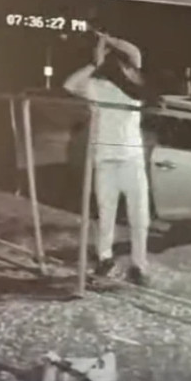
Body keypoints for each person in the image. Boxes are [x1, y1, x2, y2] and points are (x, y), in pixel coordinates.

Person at [63, 32, 151, 286]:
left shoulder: (137, 87)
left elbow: (135, 53)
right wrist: (95, 63)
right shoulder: (99, 88)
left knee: (139, 215)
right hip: (105, 159)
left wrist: (109, 40)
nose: (127, 68)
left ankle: (139, 265)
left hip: (131, 158)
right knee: (106, 213)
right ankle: (105, 259)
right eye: (122, 64)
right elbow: (70, 85)